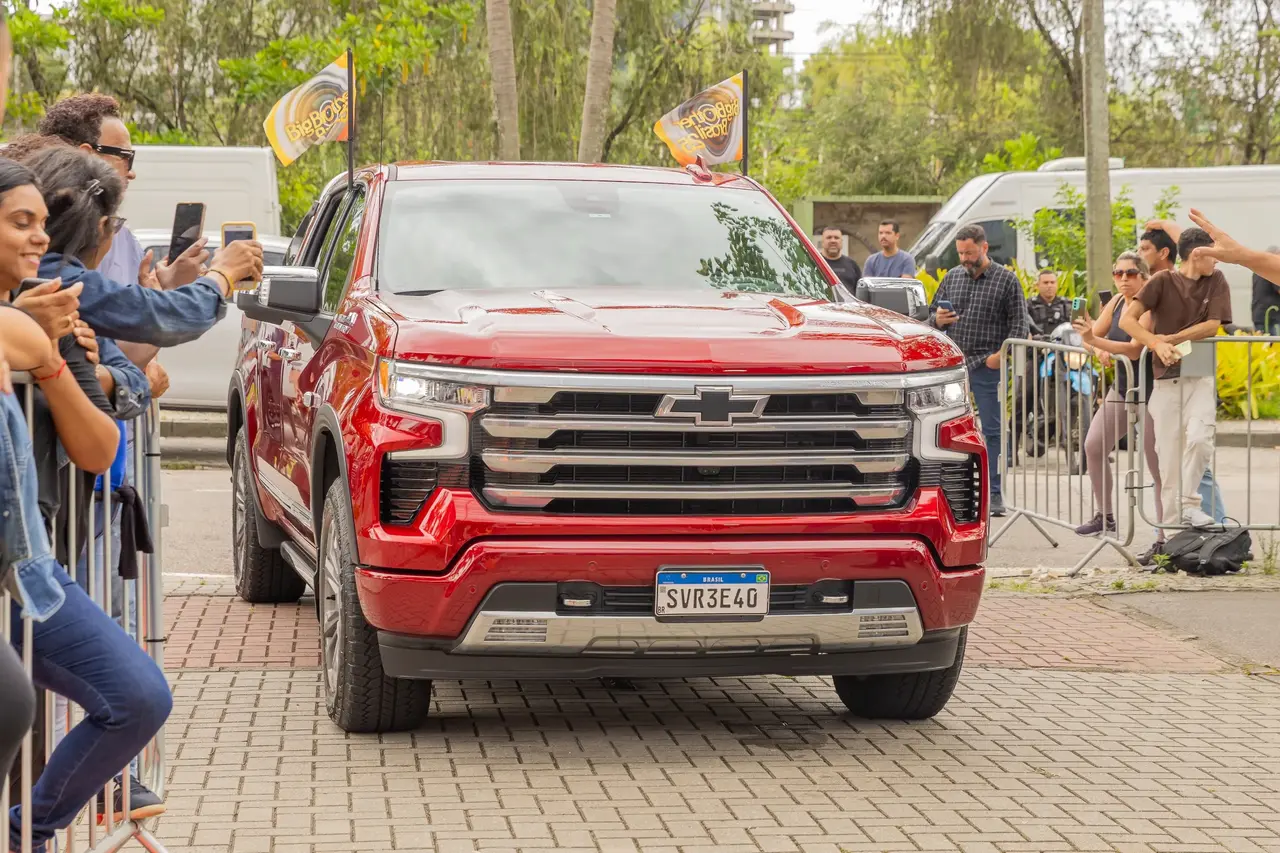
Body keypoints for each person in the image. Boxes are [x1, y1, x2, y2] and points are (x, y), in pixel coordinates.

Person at [0, 157, 173, 853]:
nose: (41, 239)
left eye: (44, 223)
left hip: (32, 569)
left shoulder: (48, 310)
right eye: (21, 222)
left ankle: (30, 830)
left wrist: (50, 360)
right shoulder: (25, 314)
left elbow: (99, 444)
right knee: (12, 708)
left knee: (139, 695)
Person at [1120, 227, 1231, 530]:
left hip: (1199, 373)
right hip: (1166, 378)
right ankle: (1169, 536)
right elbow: (1127, 320)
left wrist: (1172, 339)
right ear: (1199, 253)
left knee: (1199, 438)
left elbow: (1211, 326)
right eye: (1213, 253)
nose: (1217, 261)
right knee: (1167, 458)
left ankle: (1190, 503)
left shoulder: (1216, 281)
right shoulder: (1162, 281)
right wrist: (1156, 343)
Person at [38, 94, 209, 291]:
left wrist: (166, 289)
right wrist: (220, 279)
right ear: (87, 155)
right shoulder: (40, 239)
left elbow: (134, 313)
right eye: (126, 157)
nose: (131, 172)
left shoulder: (125, 243)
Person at [929, 223, 1029, 517]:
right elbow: (931, 316)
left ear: (984, 248)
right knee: (946, 430)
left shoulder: (1007, 281)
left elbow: (1020, 326)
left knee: (993, 431)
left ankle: (995, 494)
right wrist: (938, 320)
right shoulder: (952, 277)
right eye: (960, 253)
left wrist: (1000, 357)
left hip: (987, 366)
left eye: (969, 253)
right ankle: (953, 493)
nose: (964, 259)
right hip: (954, 366)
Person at [1073, 252, 1166, 561]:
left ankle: (1163, 538)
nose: (1124, 278)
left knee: (1156, 466)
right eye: (1118, 273)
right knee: (1094, 446)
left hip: (1153, 391)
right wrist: (1096, 347)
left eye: (1130, 273)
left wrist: (1098, 344)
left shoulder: (1148, 305)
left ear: (1143, 276)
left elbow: (1136, 350)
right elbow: (1090, 338)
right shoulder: (1114, 302)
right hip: (1124, 388)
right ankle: (1106, 516)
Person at [1026, 269, 1070, 338]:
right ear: (1038, 285)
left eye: (1052, 282)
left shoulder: (1067, 305)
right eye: (1045, 283)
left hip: (1062, 346)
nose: (1049, 285)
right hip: (1037, 346)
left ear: (1057, 284)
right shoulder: (1028, 305)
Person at [1250, 248, 1280, 335]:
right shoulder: (1273, 269)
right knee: (1276, 347)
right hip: (1271, 317)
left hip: (1258, 316)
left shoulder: (1257, 270)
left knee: (1261, 346)